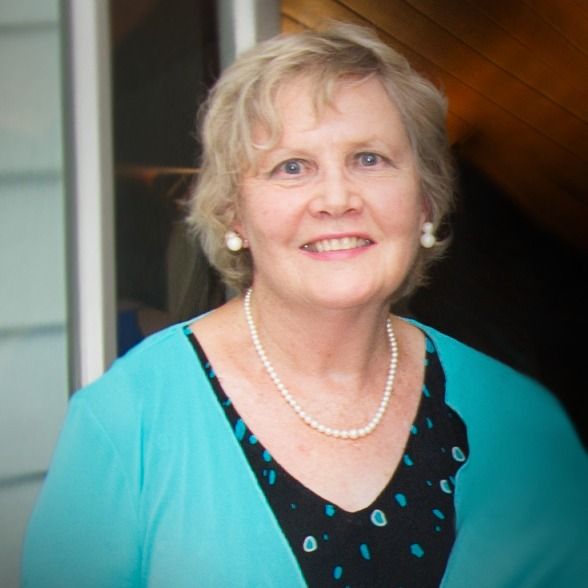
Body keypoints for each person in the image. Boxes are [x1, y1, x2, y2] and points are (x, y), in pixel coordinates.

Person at [22, 23, 587, 587]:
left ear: (425, 202)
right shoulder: (126, 423)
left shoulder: (524, 427)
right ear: (234, 214)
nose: (337, 199)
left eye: (369, 159)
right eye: (292, 167)